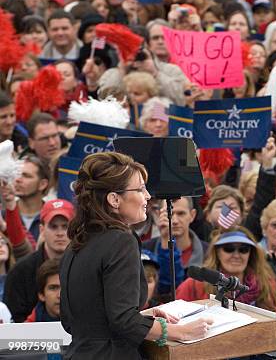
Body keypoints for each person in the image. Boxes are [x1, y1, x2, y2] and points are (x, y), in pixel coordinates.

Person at [60, 152, 210, 358]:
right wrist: (180, 332)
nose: (148, 195)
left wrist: (143, 317)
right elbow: (122, 320)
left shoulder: (79, 241)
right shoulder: (121, 240)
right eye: (140, 189)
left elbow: (78, 319)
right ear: (114, 199)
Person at [176, 228, 276, 313]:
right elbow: (175, 316)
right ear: (217, 252)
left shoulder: (267, 284)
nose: (236, 255)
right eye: (229, 248)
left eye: (243, 249)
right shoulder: (194, 284)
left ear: (251, 254)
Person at [4, 198, 73, 323]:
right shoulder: (21, 271)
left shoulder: (89, 267)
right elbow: (12, 322)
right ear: (41, 229)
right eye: (53, 226)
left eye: (65, 226)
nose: (60, 233)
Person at [25, 258, 61, 322]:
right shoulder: (26, 329)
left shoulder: (84, 324)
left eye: (65, 288)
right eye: (53, 288)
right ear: (41, 295)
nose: (60, 295)